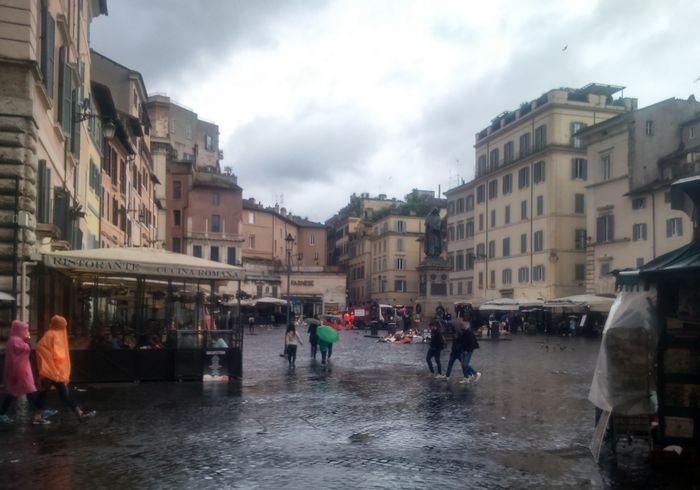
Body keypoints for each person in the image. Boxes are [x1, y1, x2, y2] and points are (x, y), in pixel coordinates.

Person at [35, 315, 96, 421]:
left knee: (46, 393)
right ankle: (79, 414)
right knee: (63, 394)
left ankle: (38, 416)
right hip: (54, 372)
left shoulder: (51, 334)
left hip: (52, 371)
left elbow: (45, 348)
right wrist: (52, 364)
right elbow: (49, 350)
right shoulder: (53, 335)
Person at [0, 320, 54, 425]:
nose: (26, 332)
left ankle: (39, 410)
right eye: (24, 330)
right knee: (20, 392)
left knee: (27, 392)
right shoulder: (15, 340)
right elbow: (26, 349)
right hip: (20, 371)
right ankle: (39, 410)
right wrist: (27, 339)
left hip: (21, 369)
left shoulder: (14, 339)